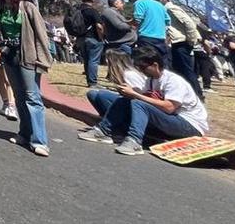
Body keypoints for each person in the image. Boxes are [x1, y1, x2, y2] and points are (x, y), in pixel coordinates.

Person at [77, 45, 209, 156]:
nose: (141, 71)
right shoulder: (151, 80)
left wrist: (136, 95)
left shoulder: (173, 81)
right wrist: (128, 92)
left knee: (138, 103)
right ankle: (106, 131)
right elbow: (144, 96)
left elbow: (169, 107)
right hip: (169, 119)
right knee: (106, 96)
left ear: (155, 65)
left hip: (189, 125)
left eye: (143, 67)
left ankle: (134, 141)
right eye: (138, 67)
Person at [0, 0, 52, 156]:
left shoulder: (27, 6)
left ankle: (39, 140)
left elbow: (41, 33)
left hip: (28, 55)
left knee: (32, 96)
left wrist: (43, 57)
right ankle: (24, 133)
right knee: (18, 96)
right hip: (9, 54)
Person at [156, 0, 203, 97]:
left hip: (182, 42)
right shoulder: (164, 10)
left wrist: (191, 40)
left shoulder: (171, 8)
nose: (156, 2)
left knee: (186, 70)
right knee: (179, 70)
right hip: (176, 43)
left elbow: (189, 23)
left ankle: (197, 94)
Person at [86, 49, 148, 120]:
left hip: (136, 105)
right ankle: (105, 118)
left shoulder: (129, 74)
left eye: (108, 58)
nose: (106, 61)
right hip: (127, 101)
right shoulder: (121, 74)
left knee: (102, 95)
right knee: (92, 94)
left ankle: (115, 121)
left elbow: (141, 94)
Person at [128, 0, 170, 67]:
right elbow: (168, 20)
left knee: (147, 63)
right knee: (161, 62)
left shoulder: (139, 3)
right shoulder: (159, 4)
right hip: (161, 37)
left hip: (146, 36)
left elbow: (137, 19)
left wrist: (128, 23)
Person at [74, 0, 104, 87]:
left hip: (81, 38)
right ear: (92, 0)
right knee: (93, 61)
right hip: (93, 38)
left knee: (87, 60)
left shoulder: (78, 11)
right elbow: (99, 26)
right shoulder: (92, 11)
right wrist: (101, 37)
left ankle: (89, 81)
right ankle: (93, 82)